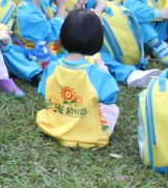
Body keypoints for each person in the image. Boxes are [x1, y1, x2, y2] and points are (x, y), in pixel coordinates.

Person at [61, 0, 159, 88]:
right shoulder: (61, 9)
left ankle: (133, 72)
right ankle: (129, 75)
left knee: (105, 56)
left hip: (93, 46)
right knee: (102, 60)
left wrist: (97, 11)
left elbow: (99, 0)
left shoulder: (85, 3)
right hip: (75, 53)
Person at [35, 10, 120, 148]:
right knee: (113, 109)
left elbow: (43, 91)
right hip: (87, 134)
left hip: (54, 125)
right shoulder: (95, 73)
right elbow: (110, 98)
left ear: (63, 36)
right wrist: (104, 71)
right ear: (96, 40)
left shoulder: (52, 67)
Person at [4, 0, 61, 86]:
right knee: (8, 53)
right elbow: (52, 33)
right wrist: (61, 8)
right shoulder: (27, 13)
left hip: (40, 51)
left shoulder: (39, 2)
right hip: (25, 52)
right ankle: (34, 74)